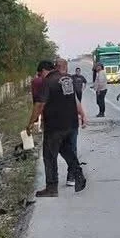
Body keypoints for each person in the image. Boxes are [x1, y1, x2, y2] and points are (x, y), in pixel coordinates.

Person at [28, 59, 87, 196]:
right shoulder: (68, 79)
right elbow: (75, 99)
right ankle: (78, 175)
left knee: (49, 156)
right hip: (71, 124)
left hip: (55, 126)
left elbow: (39, 104)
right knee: (67, 150)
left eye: (40, 74)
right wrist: (82, 115)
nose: (40, 77)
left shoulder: (48, 82)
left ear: (43, 70)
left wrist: (31, 122)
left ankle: (51, 188)